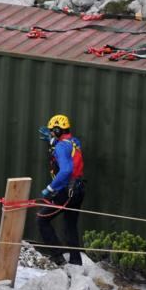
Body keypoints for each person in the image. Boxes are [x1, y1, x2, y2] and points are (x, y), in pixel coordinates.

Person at [36, 114, 85, 266]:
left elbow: (66, 170)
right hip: (78, 189)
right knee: (70, 226)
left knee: (42, 220)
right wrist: (53, 141)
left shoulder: (61, 146)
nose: (50, 133)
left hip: (66, 191)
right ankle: (76, 263)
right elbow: (69, 150)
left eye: (52, 130)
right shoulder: (74, 142)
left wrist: (50, 188)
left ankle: (58, 259)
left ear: (58, 130)